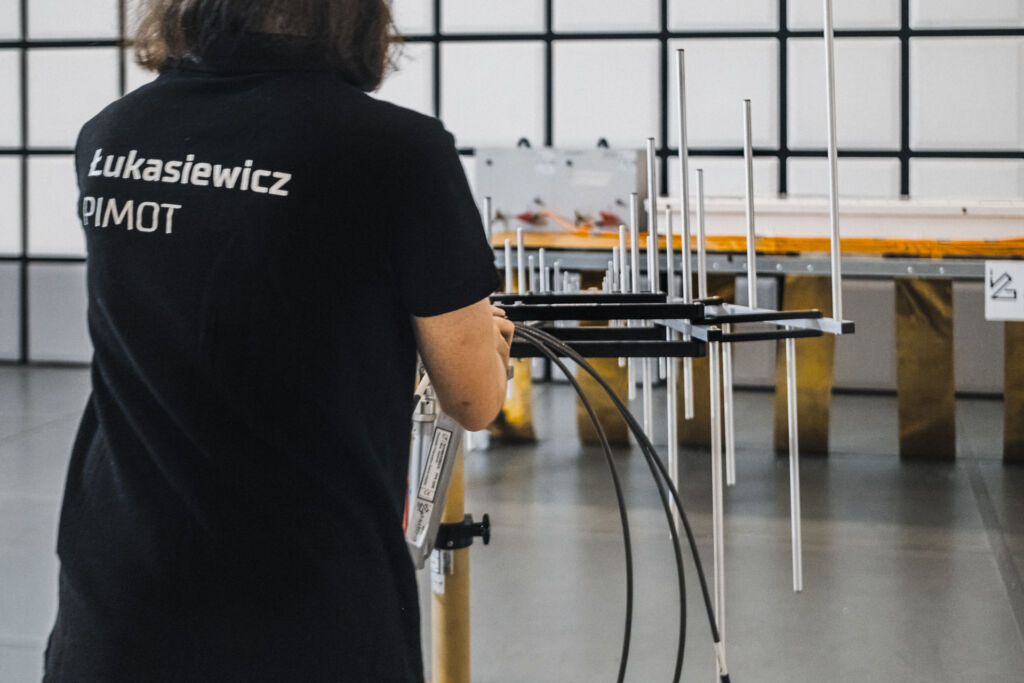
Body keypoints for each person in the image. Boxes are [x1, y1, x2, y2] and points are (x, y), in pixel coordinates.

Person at [43, 1, 513, 680]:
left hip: (119, 592)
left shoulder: (112, 136)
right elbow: (472, 399)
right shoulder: (397, 150)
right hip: (306, 598)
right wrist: (488, 344)